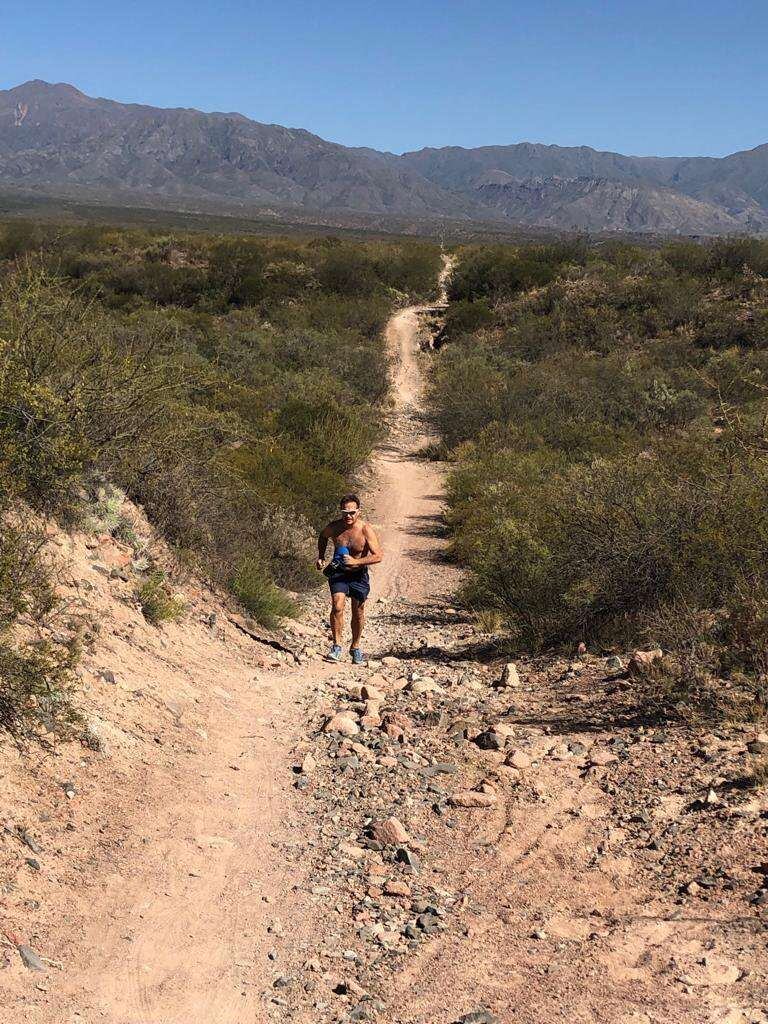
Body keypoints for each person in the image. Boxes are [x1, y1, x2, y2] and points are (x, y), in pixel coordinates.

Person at [316, 494, 382, 664]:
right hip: (339, 573)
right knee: (337, 606)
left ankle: (355, 647)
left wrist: (356, 561)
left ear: (358, 512)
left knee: (358, 611)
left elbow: (378, 556)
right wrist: (321, 556)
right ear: (341, 511)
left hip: (358, 575)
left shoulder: (365, 529)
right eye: (345, 512)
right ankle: (337, 646)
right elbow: (323, 536)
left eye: (352, 512)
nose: (348, 516)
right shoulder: (334, 528)